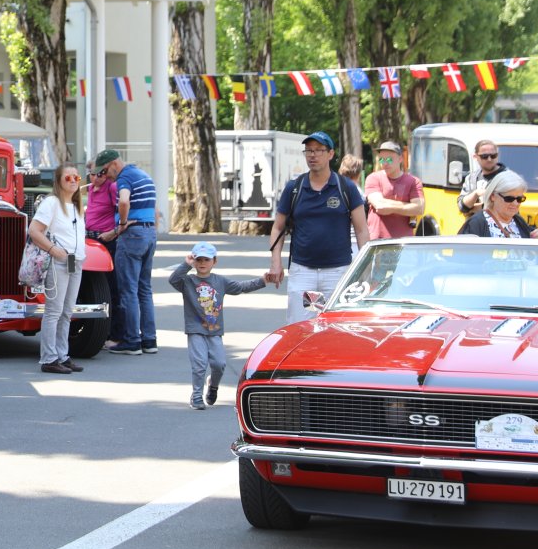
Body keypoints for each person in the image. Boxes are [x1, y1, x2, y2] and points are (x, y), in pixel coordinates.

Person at [266, 131, 370, 324]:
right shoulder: (294, 188)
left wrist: (366, 267)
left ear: (330, 154)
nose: (312, 155)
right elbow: (278, 228)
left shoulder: (346, 188)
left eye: (318, 150)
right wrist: (276, 262)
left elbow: (362, 230)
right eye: (309, 150)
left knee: (336, 326)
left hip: (338, 271)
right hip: (303, 272)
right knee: (301, 327)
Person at [169, 242, 265, 410]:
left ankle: (213, 386)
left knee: (219, 364)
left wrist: (263, 281)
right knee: (199, 364)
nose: (202, 263)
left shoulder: (220, 281)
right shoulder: (188, 281)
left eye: (207, 259)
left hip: (214, 330)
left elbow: (241, 287)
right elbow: (173, 279)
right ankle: (196, 396)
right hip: (195, 329)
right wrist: (186, 264)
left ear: (214, 261)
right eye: (199, 259)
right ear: (194, 261)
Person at [92, 150, 159, 354]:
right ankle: (149, 340)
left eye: (105, 171)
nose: (105, 176)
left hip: (132, 235)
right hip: (149, 232)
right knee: (144, 289)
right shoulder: (143, 175)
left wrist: (120, 226)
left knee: (128, 290)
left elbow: (123, 201)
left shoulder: (125, 178)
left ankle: (132, 341)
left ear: (114, 164)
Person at [28, 164, 87, 374]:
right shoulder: (51, 202)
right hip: (59, 262)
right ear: (59, 181)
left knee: (67, 312)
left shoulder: (77, 205)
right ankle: (49, 358)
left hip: (75, 262)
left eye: (76, 177)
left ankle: (62, 355)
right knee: (54, 311)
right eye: (67, 178)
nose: (73, 181)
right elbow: (34, 230)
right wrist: (53, 250)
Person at [84, 166, 123, 346]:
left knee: (110, 286)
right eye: (93, 174)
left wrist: (115, 231)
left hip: (106, 239)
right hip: (90, 238)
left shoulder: (111, 187)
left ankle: (115, 333)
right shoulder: (90, 189)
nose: (97, 178)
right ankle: (100, 329)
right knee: (93, 285)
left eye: (101, 174)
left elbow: (121, 208)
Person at [364, 140, 425, 241]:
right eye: (382, 159)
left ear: (400, 159)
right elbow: (380, 206)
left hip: (404, 243)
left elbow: (420, 208)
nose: (385, 163)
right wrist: (408, 206)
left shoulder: (414, 181)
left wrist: (388, 205)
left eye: (389, 159)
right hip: (377, 242)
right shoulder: (373, 178)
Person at [457, 169, 538, 238]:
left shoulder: (519, 222)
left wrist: (537, 239)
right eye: (509, 198)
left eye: (520, 199)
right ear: (493, 196)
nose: (515, 203)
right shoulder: (476, 223)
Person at [456, 139, 506, 218]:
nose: (489, 159)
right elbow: (462, 207)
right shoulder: (471, 178)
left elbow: (510, 205)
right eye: (484, 156)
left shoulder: (507, 178)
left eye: (493, 156)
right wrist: (475, 194)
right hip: (475, 224)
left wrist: (481, 208)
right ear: (475, 156)